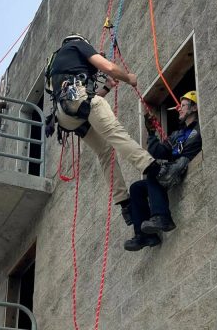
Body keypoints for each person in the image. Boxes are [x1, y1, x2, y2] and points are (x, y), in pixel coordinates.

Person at [47, 34, 157, 224]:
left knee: (105, 152)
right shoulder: (78, 45)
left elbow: (82, 101)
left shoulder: (57, 62)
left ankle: (124, 204)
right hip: (78, 100)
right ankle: (155, 169)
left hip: (64, 115)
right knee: (116, 133)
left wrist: (106, 88)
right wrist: (129, 78)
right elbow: (109, 67)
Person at [124, 91, 201, 251]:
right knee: (136, 188)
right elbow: (157, 151)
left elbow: (184, 154)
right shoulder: (177, 135)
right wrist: (151, 132)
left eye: (183, 105)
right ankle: (145, 236)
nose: (178, 109)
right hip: (171, 169)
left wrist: (172, 159)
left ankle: (162, 217)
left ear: (194, 108)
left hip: (180, 167)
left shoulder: (198, 129)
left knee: (153, 173)